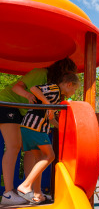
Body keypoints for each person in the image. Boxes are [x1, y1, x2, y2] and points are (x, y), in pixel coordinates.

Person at [0, 58, 77, 205]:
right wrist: (29, 96)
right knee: (14, 146)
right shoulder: (41, 74)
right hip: (8, 104)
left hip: (24, 113)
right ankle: (8, 193)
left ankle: (31, 191)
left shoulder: (54, 88)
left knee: (32, 150)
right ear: (63, 72)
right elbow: (17, 87)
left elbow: (49, 117)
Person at [17, 73, 80, 204]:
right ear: (69, 84)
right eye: (74, 89)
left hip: (29, 126)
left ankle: (37, 193)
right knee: (50, 155)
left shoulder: (56, 99)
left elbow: (51, 119)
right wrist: (47, 103)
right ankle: (25, 186)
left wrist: (63, 128)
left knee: (40, 159)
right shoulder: (55, 89)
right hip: (35, 125)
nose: (73, 93)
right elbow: (34, 88)